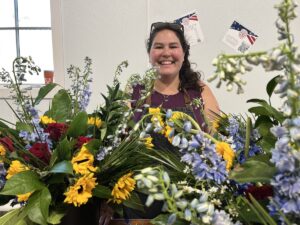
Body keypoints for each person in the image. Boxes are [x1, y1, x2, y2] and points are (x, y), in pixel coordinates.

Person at [98, 21, 220, 225]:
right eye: (158, 46)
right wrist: (107, 198)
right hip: (141, 201)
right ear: (149, 53)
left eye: (173, 46)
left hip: (191, 198)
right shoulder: (134, 91)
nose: (166, 53)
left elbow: (218, 144)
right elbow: (116, 146)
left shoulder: (200, 91)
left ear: (184, 53)